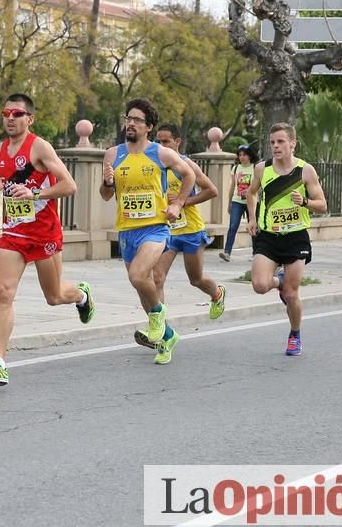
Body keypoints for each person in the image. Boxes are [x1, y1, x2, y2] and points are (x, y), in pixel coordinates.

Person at [0, 93, 95, 386]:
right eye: (6, 113)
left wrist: (36, 194)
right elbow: (11, 178)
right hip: (14, 232)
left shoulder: (40, 147)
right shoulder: (1, 148)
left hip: (44, 234)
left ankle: (81, 295)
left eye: (17, 114)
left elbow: (70, 185)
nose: (10, 119)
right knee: (3, 292)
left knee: (54, 297)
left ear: (30, 119)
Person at [100, 99, 195, 364]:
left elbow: (189, 175)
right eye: (128, 118)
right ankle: (166, 336)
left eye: (137, 120)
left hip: (155, 228)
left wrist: (177, 203)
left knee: (139, 274)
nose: (130, 123)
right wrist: (108, 182)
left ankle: (157, 319)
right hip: (127, 230)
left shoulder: (161, 153)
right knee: (143, 286)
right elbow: (106, 195)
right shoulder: (112, 154)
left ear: (148, 127)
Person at [136, 123, 224, 345]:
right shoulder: (154, 164)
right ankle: (160, 331)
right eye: (158, 140)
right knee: (157, 277)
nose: (161, 145)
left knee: (196, 279)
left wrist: (182, 202)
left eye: (166, 141)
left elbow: (211, 190)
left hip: (191, 230)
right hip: (166, 231)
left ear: (177, 142)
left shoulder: (186, 165)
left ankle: (217, 294)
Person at [245, 122, 327, 356]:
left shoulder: (305, 170)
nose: (276, 146)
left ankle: (295, 334)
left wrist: (305, 202)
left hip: (295, 237)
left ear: (293, 143)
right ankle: (279, 281)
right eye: (272, 142)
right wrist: (252, 218)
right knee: (260, 285)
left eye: (281, 141)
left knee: (291, 295)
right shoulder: (262, 169)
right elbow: (250, 192)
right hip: (268, 236)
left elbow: (322, 205)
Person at [220, 144, 258, 262]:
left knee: (253, 227)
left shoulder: (256, 167)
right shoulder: (236, 168)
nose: (242, 157)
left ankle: (256, 253)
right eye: (240, 155)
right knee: (233, 226)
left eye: (244, 155)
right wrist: (229, 202)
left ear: (250, 156)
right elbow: (232, 186)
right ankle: (227, 252)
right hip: (237, 200)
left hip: (252, 201)